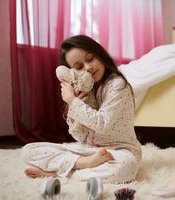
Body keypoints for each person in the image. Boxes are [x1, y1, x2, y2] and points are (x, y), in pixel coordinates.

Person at [22, 35, 142, 183]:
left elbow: (101, 123)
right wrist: (76, 103)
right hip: (89, 152)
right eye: (79, 67)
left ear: (100, 55)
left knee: (126, 167)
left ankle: (58, 173)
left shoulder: (118, 85)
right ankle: (81, 165)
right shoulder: (85, 90)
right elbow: (80, 136)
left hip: (120, 151)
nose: (88, 67)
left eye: (90, 59)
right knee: (28, 151)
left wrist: (71, 101)